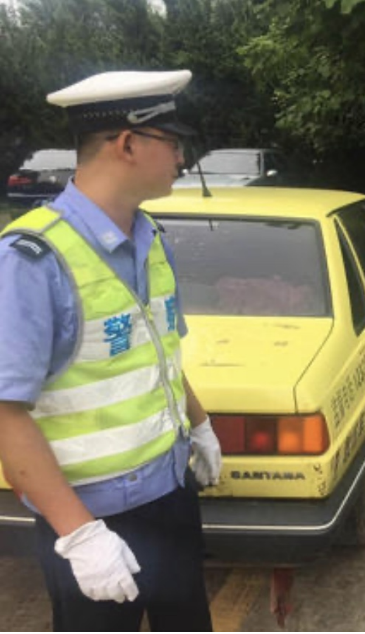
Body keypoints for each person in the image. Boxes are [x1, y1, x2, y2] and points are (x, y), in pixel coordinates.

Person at [0, 70, 222, 632]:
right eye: (173, 143)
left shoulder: (150, 238)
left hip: (171, 491)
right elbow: (5, 410)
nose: (181, 158)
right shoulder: (32, 259)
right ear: (127, 144)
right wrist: (80, 535)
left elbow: (158, 352)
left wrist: (199, 425)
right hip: (90, 519)